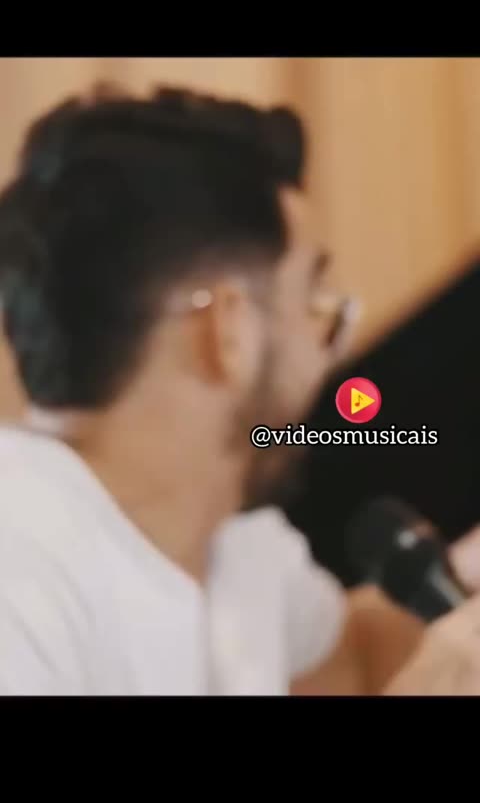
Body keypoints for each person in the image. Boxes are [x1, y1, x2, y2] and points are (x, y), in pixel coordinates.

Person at [0, 85, 479, 696]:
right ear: (227, 330)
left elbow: (355, 658)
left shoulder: (237, 549)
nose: (328, 349)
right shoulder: (19, 563)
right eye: (313, 303)